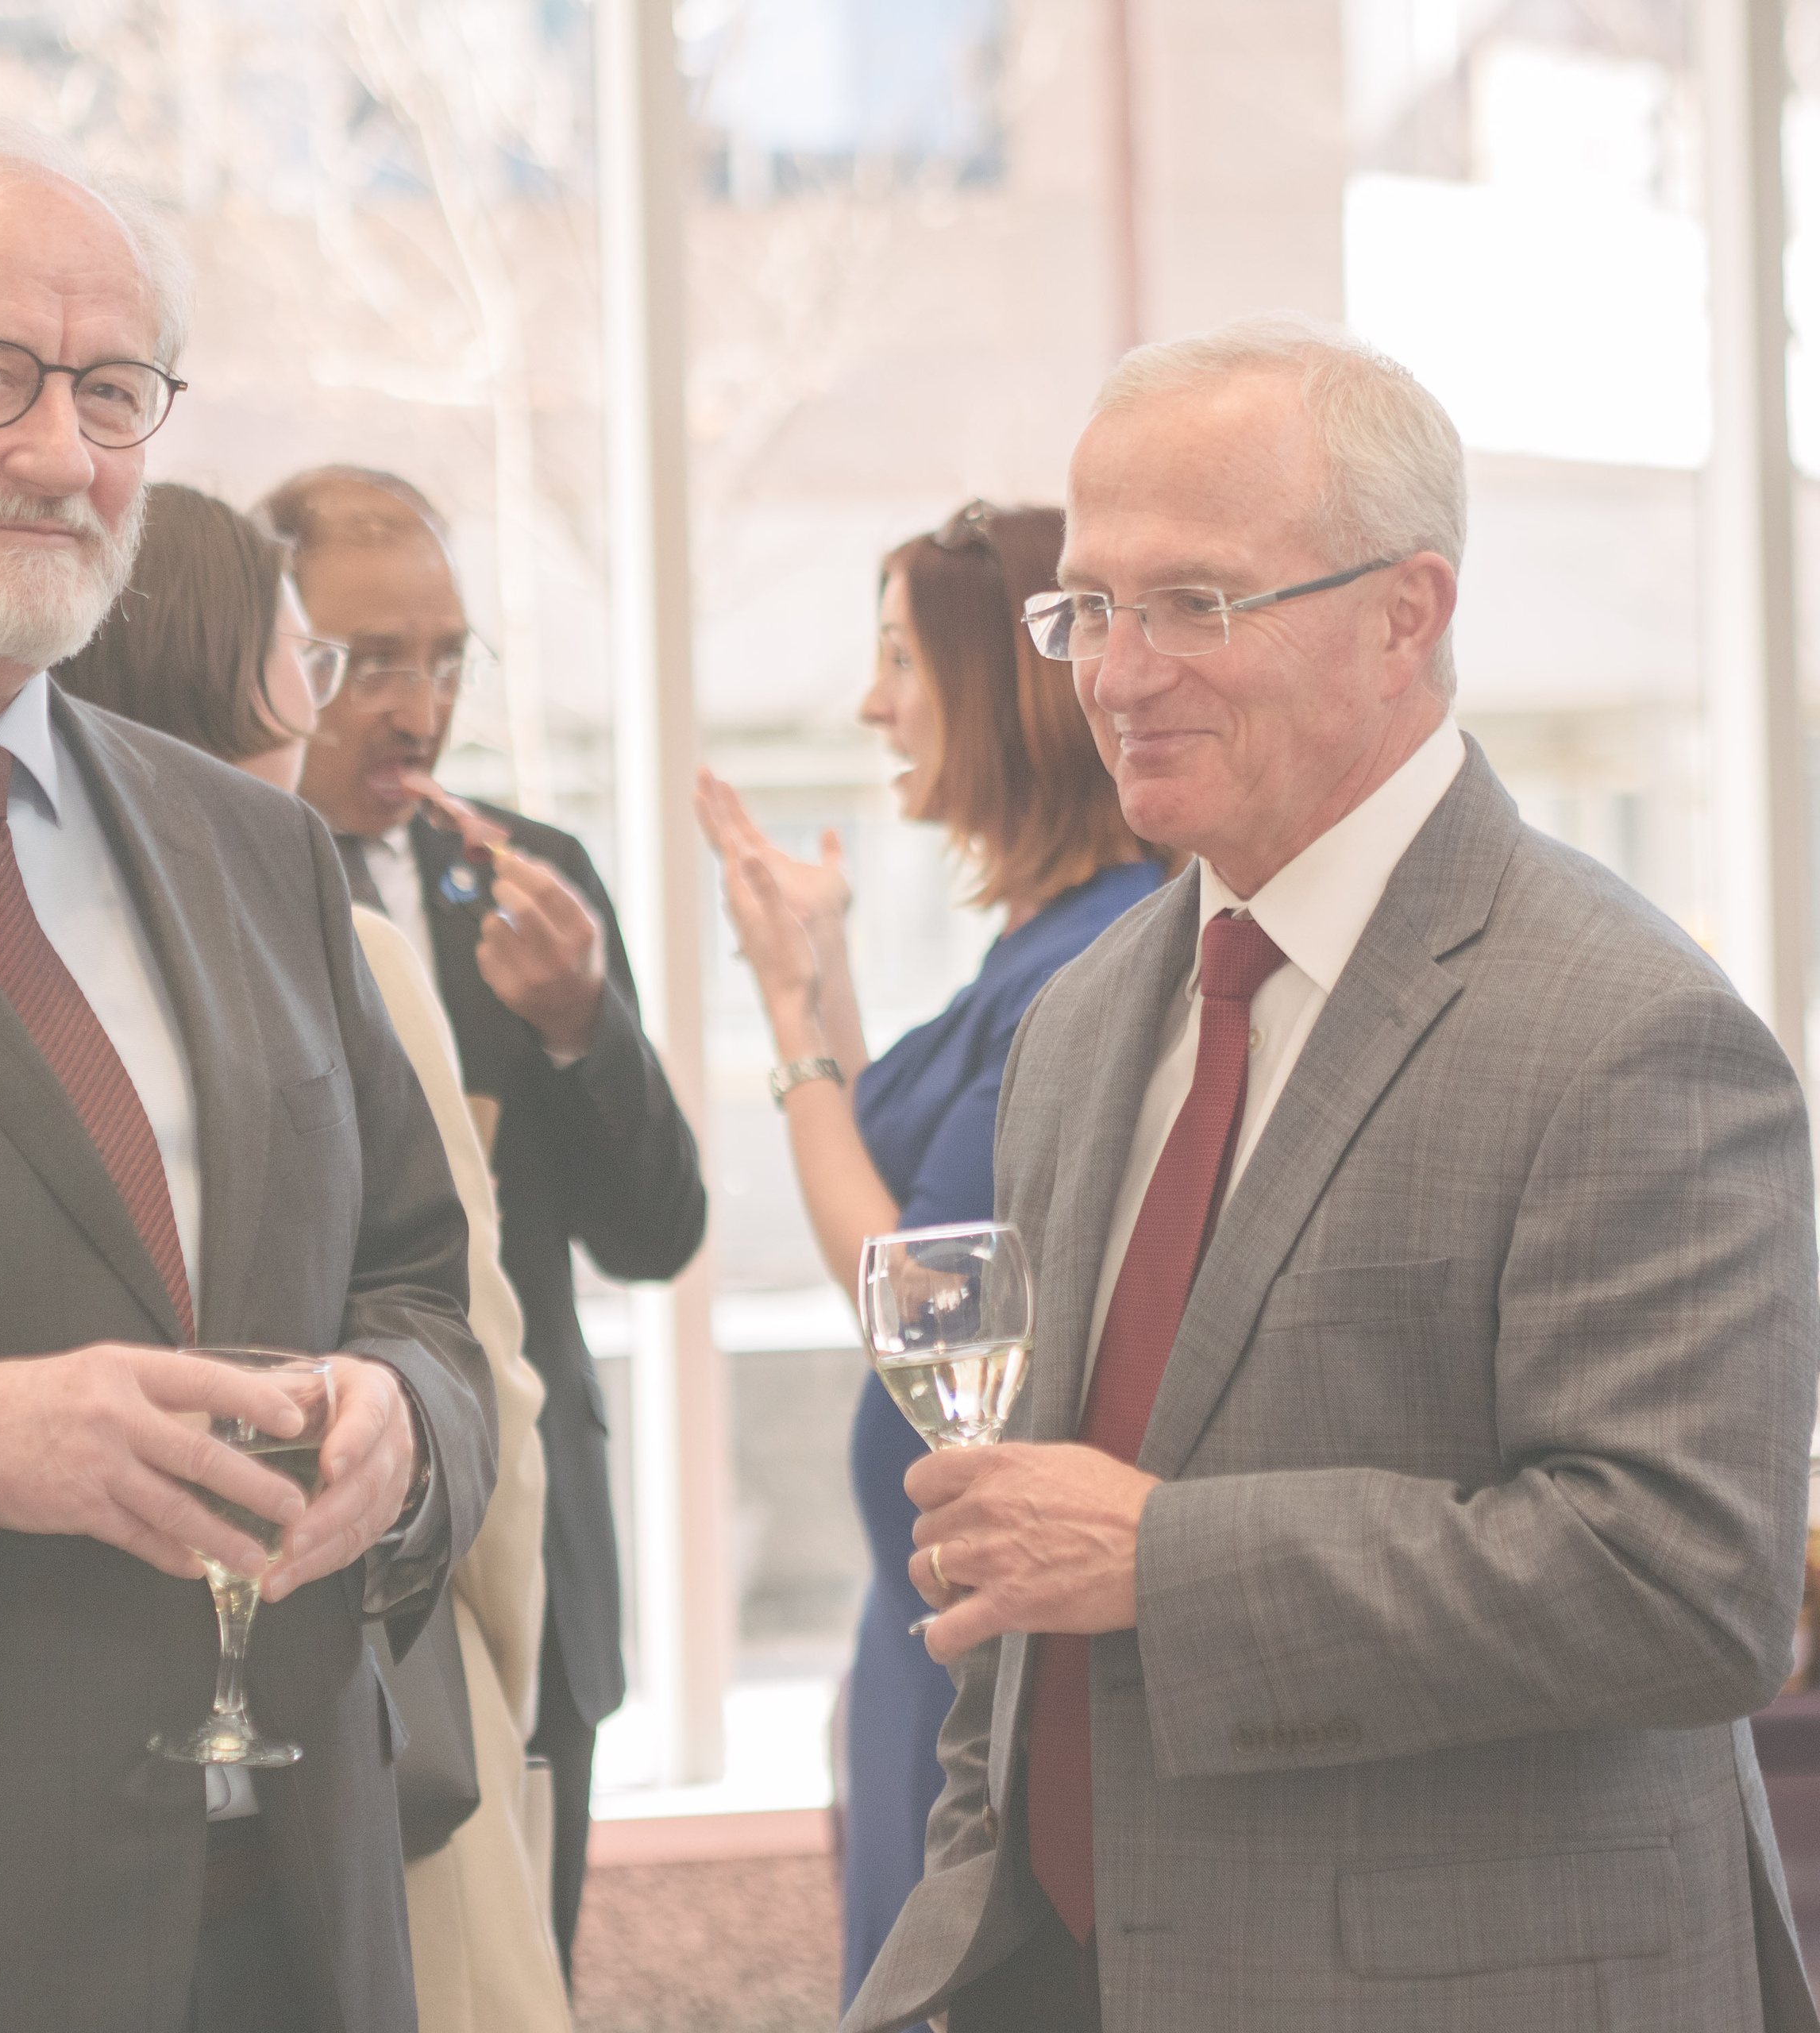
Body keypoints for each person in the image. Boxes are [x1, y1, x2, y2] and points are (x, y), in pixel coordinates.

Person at [843, 315, 1820, 2033]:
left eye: (1194, 605)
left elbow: (1686, 1585)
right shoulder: (1079, 1024)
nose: (1117, 674)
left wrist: (1165, 1559)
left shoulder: (1629, 1027)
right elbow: (1020, 1561)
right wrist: (965, 1919)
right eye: (1088, 607)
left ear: (1405, 614)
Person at [0, 112, 498, 2033]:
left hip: (295, 1916)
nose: (63, 454)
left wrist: (402, 1426)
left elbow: (425, 1290)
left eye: (114, 392)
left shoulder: (248, 845)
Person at [56, 482, 571, 2032]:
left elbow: (444, 1341)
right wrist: (503, 1668)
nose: (342, 702)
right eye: (319, 655)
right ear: (232, 669)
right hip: (341, 1688)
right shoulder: (335, 931)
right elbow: (496, 1378)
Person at [696, 500, 1160, 2014]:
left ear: (1003, 687)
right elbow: (908, 1167)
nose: (874, 702)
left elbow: (926, 1296)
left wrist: (788, 1031)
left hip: (987, 1620)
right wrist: (819, 975)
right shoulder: (1038, 940)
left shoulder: (1093, 955)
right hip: (930, 1595)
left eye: (902, 657)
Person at [260, 465, 707, 1978]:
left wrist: (590, 1032)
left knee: (529, 1968)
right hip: (307, 1548)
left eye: (446, 659)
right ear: (281, 649)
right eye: (372, 659)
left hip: (531, 1532)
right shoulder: (215, 880)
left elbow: (658, 1236)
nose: (419, 705)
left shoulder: (528, 882)